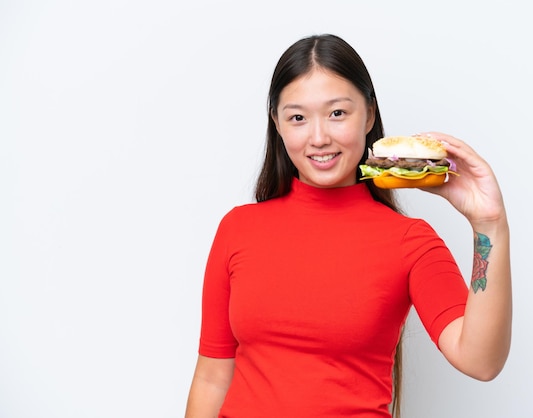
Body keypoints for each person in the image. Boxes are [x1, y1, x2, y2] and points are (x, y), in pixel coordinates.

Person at [185, 34, 512, 418]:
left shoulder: (410, 241)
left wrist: (489, 225)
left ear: (369, 115)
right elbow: (211, 378)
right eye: (298, 118)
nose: (319, 137)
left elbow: (481, 361)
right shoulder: (238, 228)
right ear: (277, 123)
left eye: (337, 113)